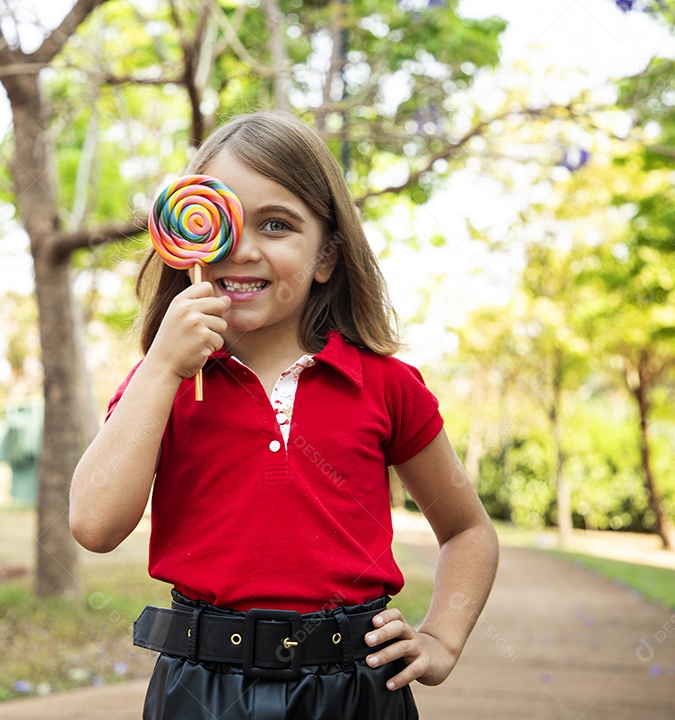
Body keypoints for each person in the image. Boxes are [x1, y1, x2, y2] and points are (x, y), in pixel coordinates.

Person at [70, 111, 499, 720]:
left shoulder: (387, 385)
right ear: (184, 239)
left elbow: (468, 531)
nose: (243, 247)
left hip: (355, 689)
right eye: (225, 221)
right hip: (201, 689)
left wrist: (440, 638)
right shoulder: (161, 385)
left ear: (326, 256)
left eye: (277, 225)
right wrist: (163, 368)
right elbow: (94, 524)